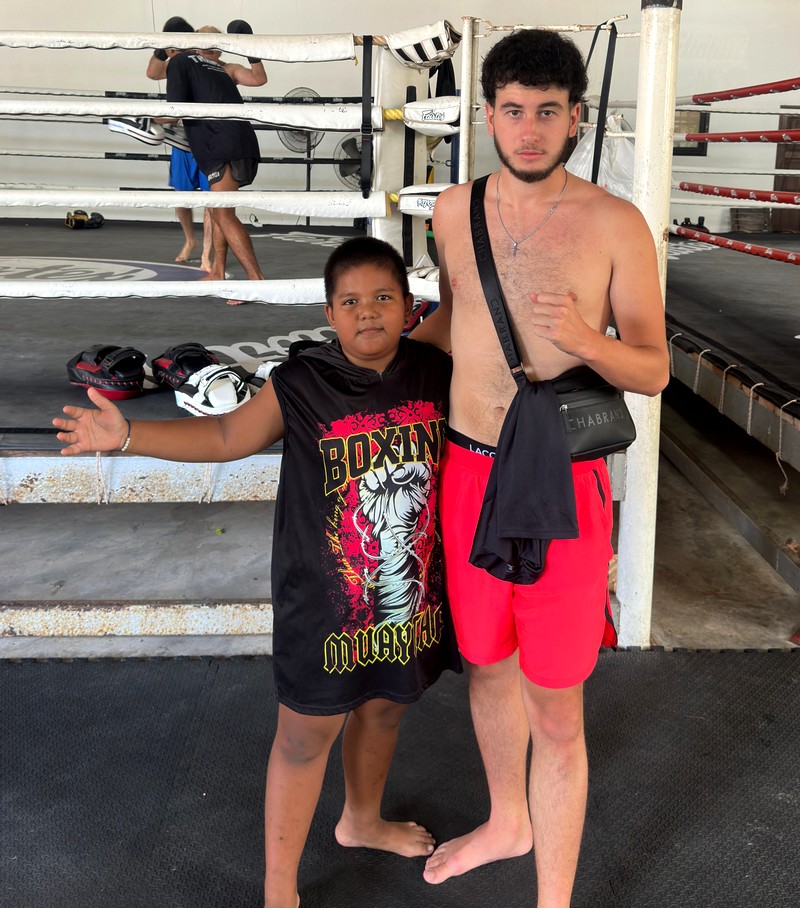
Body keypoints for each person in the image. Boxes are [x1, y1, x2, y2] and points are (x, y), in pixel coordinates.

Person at [53, 236, 462, 908]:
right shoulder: (301, 382)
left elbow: (476, 307)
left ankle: (361, 821)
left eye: (384, 298)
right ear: (329, 315)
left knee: (387, 709)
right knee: (306, 736)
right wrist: (126, 435)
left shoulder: (431, 367)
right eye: (351, 302)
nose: (368, 313)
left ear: (409, 306)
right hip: (322, 605)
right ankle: (280, 889)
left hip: (407, 598)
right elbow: (224, 437)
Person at [412, 28, 670, 905]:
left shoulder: (614, 223)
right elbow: (455, 324)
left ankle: (553, 898)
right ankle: (506, 820)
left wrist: (586, 341)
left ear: (575, 119)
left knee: (556, 702)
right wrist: (369, 356)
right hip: (467, 470)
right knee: (487, 665)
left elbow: (654, 369)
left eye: (547, 113)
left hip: (561, 479)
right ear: (487, 115)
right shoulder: (453, 211)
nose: (528, 131)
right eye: (512, 111)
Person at [146, 19, 268, 284]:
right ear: (194, 46)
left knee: (222, 213)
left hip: (221, 143)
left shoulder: (206, 66)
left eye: (215, 48)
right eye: (205, 47)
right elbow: (154, 72)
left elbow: (174, 110)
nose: (210, 53)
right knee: (217, 211)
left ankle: (256, 280)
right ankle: (217, 271)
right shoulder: (201, 66)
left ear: (221, 50)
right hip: (231, 142)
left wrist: (146, 120)